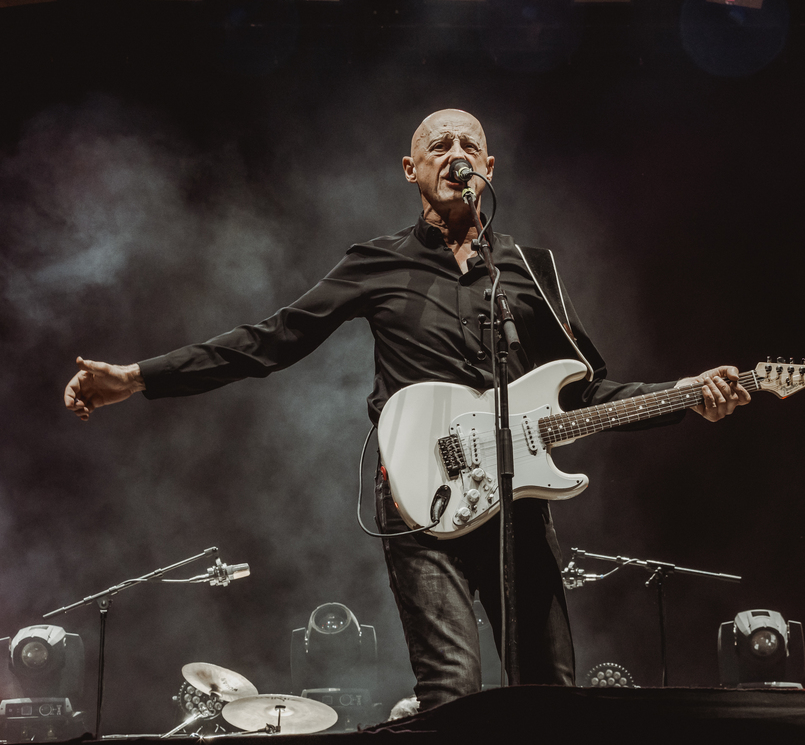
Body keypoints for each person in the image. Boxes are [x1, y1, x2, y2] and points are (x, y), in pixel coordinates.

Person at [63, 109, 750, 711]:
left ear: (487, 167)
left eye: (467, 144)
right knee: (452, 687)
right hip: (422, 502)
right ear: (412, 170)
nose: (455, 153)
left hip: (517, 502)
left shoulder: (532, 270)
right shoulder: (376, 263)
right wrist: (139, 377)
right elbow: (269, 341)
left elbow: (588, 392)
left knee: (549, 692)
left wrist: (687, 397)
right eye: (438, 144)